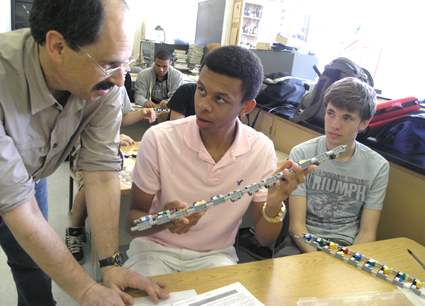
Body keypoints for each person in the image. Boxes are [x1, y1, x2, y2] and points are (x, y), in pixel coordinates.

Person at [0, 0, 170, 305]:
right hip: (14, 188)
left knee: (32, 264)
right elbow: (16, 206)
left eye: (124, 63)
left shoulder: (107, 83)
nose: (120, 79)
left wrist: (111, 265)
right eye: (109, 64)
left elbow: (102, 171)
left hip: (30, 175)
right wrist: (86, 289)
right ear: (58, 47)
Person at [123, 45, 316, 277]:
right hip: (154, 251)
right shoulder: (159, 138)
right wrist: (163, 220)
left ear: (246, 106)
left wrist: (274, 204)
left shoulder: (260, 149)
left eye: (221, 99)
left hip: (215, 257)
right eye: (202, 90)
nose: (204, 105)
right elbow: (131, 224)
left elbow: (265, 240)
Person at [274, 77, 390, 257]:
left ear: (364, 123)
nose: (335, 125)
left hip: (347, 247)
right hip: (302, 242)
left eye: (347, 118)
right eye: (330, 113)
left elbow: (367, 233)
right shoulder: (302, 154)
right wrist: (318, 259)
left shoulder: (377, 166)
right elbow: (297, 226)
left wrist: (348, 259)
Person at [66, 86, 156, 263]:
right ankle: (75, 231)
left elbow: (122, 117)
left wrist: (141, 114)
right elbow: (71, 133)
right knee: (91, 185)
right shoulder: (83, 87)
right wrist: (112, 138)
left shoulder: (118, 85)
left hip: (112, 148)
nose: (125, 72)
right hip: (86, 150)